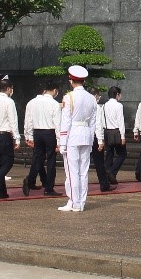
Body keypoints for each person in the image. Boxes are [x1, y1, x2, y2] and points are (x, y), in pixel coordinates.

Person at [56, 66, 99, 212]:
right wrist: (92, 137)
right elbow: (93, 121)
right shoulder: (91, 98)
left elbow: (66, 120)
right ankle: (80, 202)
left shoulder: (69, 97)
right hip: (86, 134)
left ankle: (74, 201)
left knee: (72, 171)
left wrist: (62, 142)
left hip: (73, 135)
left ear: (71, 80)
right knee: (83, 171)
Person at [21, 82, 61, 197]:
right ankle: (48, 188)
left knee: (38, 158)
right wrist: (59, 141)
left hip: (37, 132)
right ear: (54, 90)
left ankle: (30, 180)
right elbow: (57, 123)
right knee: (51, 160)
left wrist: (28, 136)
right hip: (49, 132)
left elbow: (28, 121)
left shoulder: (32, 102)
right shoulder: (54, 104)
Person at [101, 86, 126, 184]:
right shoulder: (118, 105)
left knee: (109, 154)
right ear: (117, 95)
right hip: (116, 132)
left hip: (107, 132)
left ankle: (108, 176)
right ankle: (112, 171)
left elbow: (102, 121)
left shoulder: (104, 106)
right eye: (120, 94)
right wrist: (123, 136)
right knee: (122, 154)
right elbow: (121, 121)